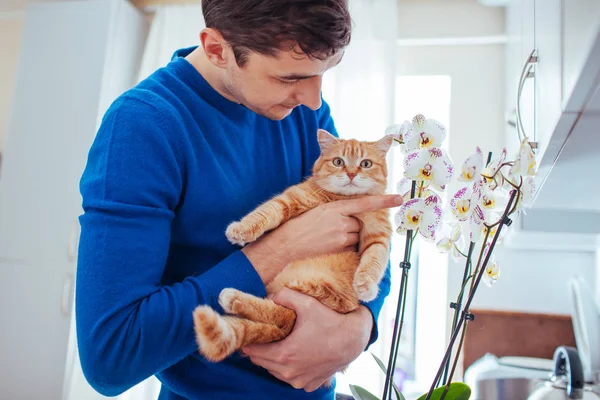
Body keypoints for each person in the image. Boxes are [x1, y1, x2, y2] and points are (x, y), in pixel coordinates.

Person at [75, 0, 401, 399]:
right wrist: (278, 250)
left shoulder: (301, 112)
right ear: (216, 49)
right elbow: (111, 356)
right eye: (290, 77)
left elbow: (367, 223)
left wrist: (362, 326)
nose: (315, 100)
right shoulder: (143, 126)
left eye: (323, 73)